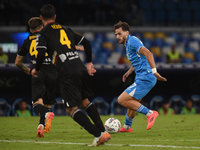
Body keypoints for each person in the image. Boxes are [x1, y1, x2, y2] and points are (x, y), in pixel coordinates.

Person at [31, 4, 110, 146]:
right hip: (79, 67)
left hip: (67, 72)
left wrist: (36, 69)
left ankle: (98, 135)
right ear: (55, 17)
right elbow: (86, 42)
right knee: (85, 102)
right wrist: (89, 63)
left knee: (71, 109)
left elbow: (41, 53)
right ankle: (103, 132)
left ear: (41, 17)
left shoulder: (43, 34)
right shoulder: (65, 29)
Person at [113, 21, 167, 132]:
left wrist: (155, 71)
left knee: (121, 100)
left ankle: (150, 113)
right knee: (132, 102)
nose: (117, 37)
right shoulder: (128, 43)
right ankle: (127, 127)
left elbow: (148, 53)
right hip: (141, 76)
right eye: (116, 34)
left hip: (146, 77)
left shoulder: (132, 41)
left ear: (126, 32)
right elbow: (138, 59)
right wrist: (129, 71)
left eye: (119, 34)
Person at [15, 17, 58, 137]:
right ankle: (41, 126)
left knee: (37, 104)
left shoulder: (28, 40)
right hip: (52, 73)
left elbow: (17, 62)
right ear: (42, 27)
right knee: (47, 105)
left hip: (37, 72)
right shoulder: (50, 37)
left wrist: (27, 70)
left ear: (30, 29)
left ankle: (45, 116)